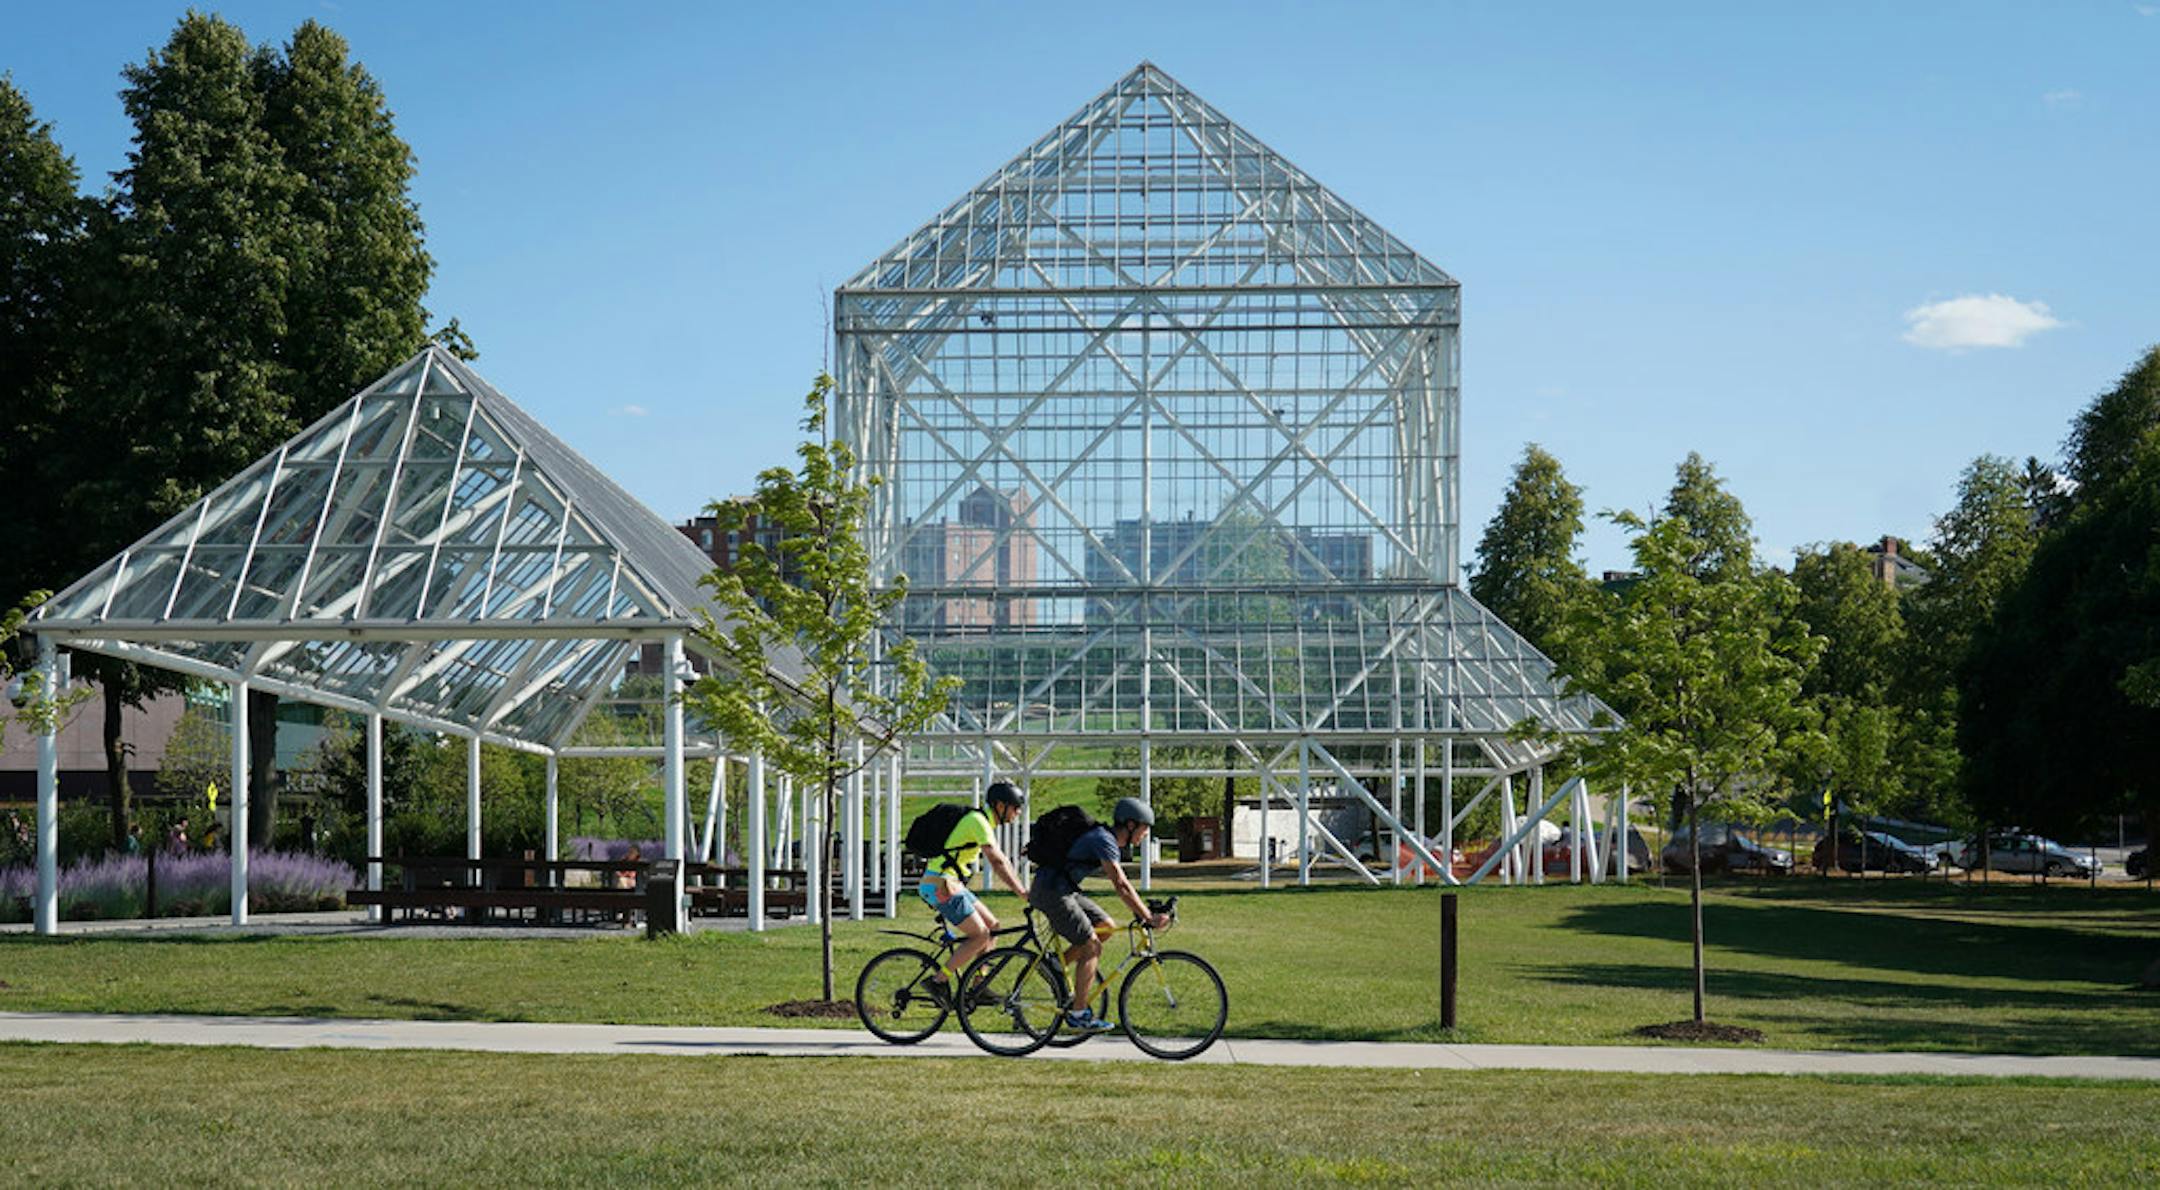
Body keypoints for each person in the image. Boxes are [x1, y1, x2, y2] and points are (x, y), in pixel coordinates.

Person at [1027, 796, 1168, 1033]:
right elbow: (1121, 885)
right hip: (1052, 892)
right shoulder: (1104, 840)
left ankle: (1055, 965)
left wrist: (1143, 912)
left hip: (1064, 889)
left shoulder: (1104, 838)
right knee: (1091, 946)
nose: (1145, 835)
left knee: (1106, 926)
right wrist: (1147, 917)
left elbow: (1122, 886)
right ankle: (1079, 1014)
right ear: (1130, 825)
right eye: (1144, 829)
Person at [917, 781, 1028, 1003]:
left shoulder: (982, 821)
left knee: (993, 927)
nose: (1018, 812)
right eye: (1015, 807)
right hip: (940, 884)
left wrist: (1023, 889)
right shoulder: (978, 821)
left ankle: (980, 985)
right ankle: (938, 981)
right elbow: (996, 861)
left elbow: (1002, 859)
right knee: (980, 935)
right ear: (1000, 806)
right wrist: (1021, 891)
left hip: (952, 883)